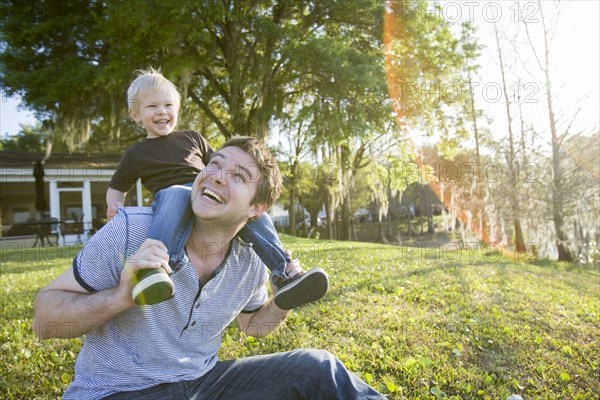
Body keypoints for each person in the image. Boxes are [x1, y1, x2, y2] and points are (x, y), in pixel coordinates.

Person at [32, 137, 385, 399]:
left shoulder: (251, 259)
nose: (216, 176)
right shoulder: (133, 231)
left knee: (318, 369)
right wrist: (121, 296)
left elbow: (253, 326)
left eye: (238, 175)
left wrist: (282, 302)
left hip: (202, 385)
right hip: (117, 391)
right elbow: (44, 321)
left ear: (256, 208)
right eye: (213, 164)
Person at [106, 68, 327, 309]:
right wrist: (114, 206)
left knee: (251, 211)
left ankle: (284, 271)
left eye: (168, 105)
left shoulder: (191, 137)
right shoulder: (135, 153)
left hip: (206, 189)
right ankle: (154, 269)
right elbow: (117, 186)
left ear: (177, 111)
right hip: (171, 195)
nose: (162, 112)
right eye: (152, 107)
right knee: (177, 194)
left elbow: (221, 164)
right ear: (135, 114)